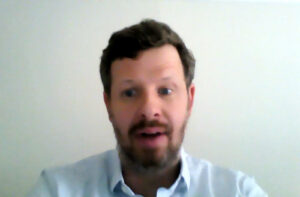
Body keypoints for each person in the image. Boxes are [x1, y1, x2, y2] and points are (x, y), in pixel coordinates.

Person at [27, 19, 268, 197]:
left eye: (165, 90)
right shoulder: (56, 190)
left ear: (189, 100)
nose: (149, 110)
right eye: (130, 92)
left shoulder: (239, 192)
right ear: (108, 104)